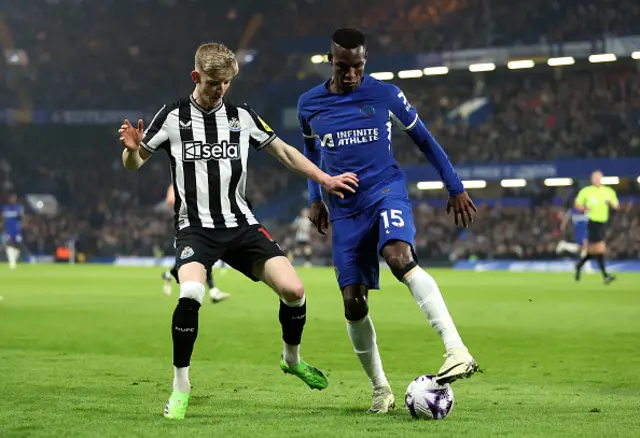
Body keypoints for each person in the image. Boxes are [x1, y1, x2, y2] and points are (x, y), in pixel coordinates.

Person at [118, 42, 359, 420]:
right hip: (195, 228)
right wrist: (132, 151)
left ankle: (291, 359)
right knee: (194, 290)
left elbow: (285, 152)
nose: (221, 90)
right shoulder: (173, 116)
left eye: (227, 83)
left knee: (295, 290)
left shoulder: (241, 115)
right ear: (196, 77)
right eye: (215, 83)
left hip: (241, 224)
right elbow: (132, 165)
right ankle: (181, 386)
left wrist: (324, 179)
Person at [298, 28, 478, 414]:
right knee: (353, 303)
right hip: (344, 209)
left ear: (365, 62)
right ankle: (381, 389)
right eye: (344, 67)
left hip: (385, 191)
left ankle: (456, 349)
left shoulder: (386, 94)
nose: (351, 75)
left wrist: (455, 186)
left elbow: (425, 140)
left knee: (399, 256)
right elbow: (310, 150)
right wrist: (316, 197)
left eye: (358, 67)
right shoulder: (308, 104)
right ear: (330, 60)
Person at [162, 185, 230, 302]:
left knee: (199, 256)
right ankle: (213, 291)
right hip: (186, 225)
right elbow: (170, 200)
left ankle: (169, 274)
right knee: (198, 256)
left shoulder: (195, 181)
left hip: (198, 223)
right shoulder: (176, 183)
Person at [574, 170, 618, 284]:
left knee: (593, 251)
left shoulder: (608, 192)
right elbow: (577, 204)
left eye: (599, 178)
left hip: (603, 223)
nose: (597, 180)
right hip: (593, 223)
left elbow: (616, 205)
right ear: (592, 179)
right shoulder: (586, 191)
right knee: (601, 248)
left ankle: (579, 266)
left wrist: (611, 203)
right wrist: (584, 209)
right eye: (595, 178)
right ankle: (605, 276)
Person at [2, 194, 23, 270]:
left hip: (16, 230)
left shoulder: (18, 208)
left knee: (17, 246)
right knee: (9, 245)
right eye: (12, 198)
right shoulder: (6, 208)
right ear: (9, 199)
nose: (13, 199)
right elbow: (3, 220)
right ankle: (12, 262)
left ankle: (13, 259)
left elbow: (21, 219)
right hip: (8, 231)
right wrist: (3, 229)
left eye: (14, 198)